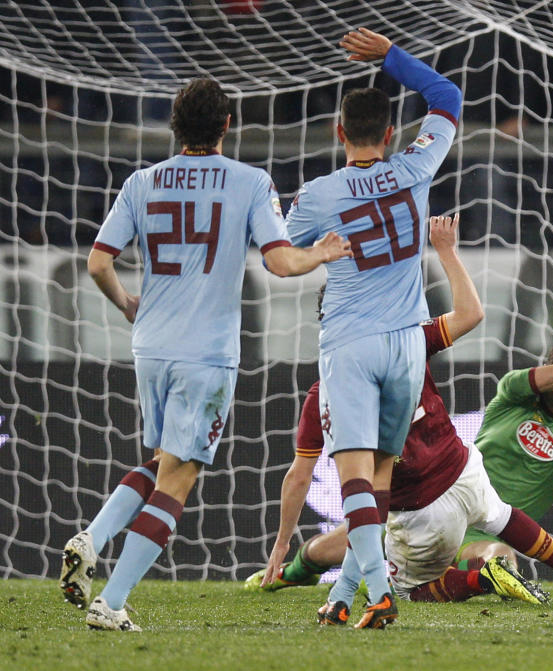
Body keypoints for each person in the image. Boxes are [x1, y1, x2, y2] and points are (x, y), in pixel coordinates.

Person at [58, 77, 352, 631]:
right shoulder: (249, 181)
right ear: (227, 126)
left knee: (164, 462)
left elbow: (98, 261)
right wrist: (322, 250)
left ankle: (92, 539)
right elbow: (281, 263)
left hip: (150, 346)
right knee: (180, 478)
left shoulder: (142, 182)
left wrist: (126, 303)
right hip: (205, 354)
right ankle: (111, 601)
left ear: (176, 126)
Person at [247, 215, 553, 610]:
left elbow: (301, 475)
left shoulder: (327, 391)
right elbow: (472, 315)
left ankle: (480, 579)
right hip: (464, 472)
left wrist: (281, 538)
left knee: (407, 590)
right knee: (499, 516)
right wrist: (446, 251)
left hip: (418, 508)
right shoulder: (408, 341)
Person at [249, 333, 553, 598]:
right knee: (331, 549)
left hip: (482, 525)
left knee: (498, 556)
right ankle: (283, 577)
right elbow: (525, 379)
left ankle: (459, 583)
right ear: (550, 370)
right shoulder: (515, 395)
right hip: (433, 499)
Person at [281, 27, 462, 629]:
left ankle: (379, 594)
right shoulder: (416, 165)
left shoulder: (317, 195)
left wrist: (317, 256)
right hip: (409, 343)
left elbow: (280, 257)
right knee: (380, 477)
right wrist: (391, 56)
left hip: (352, 343)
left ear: (339, 134)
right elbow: (448, 96)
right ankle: (340, 600)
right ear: (391, 135)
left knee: (355, 474)